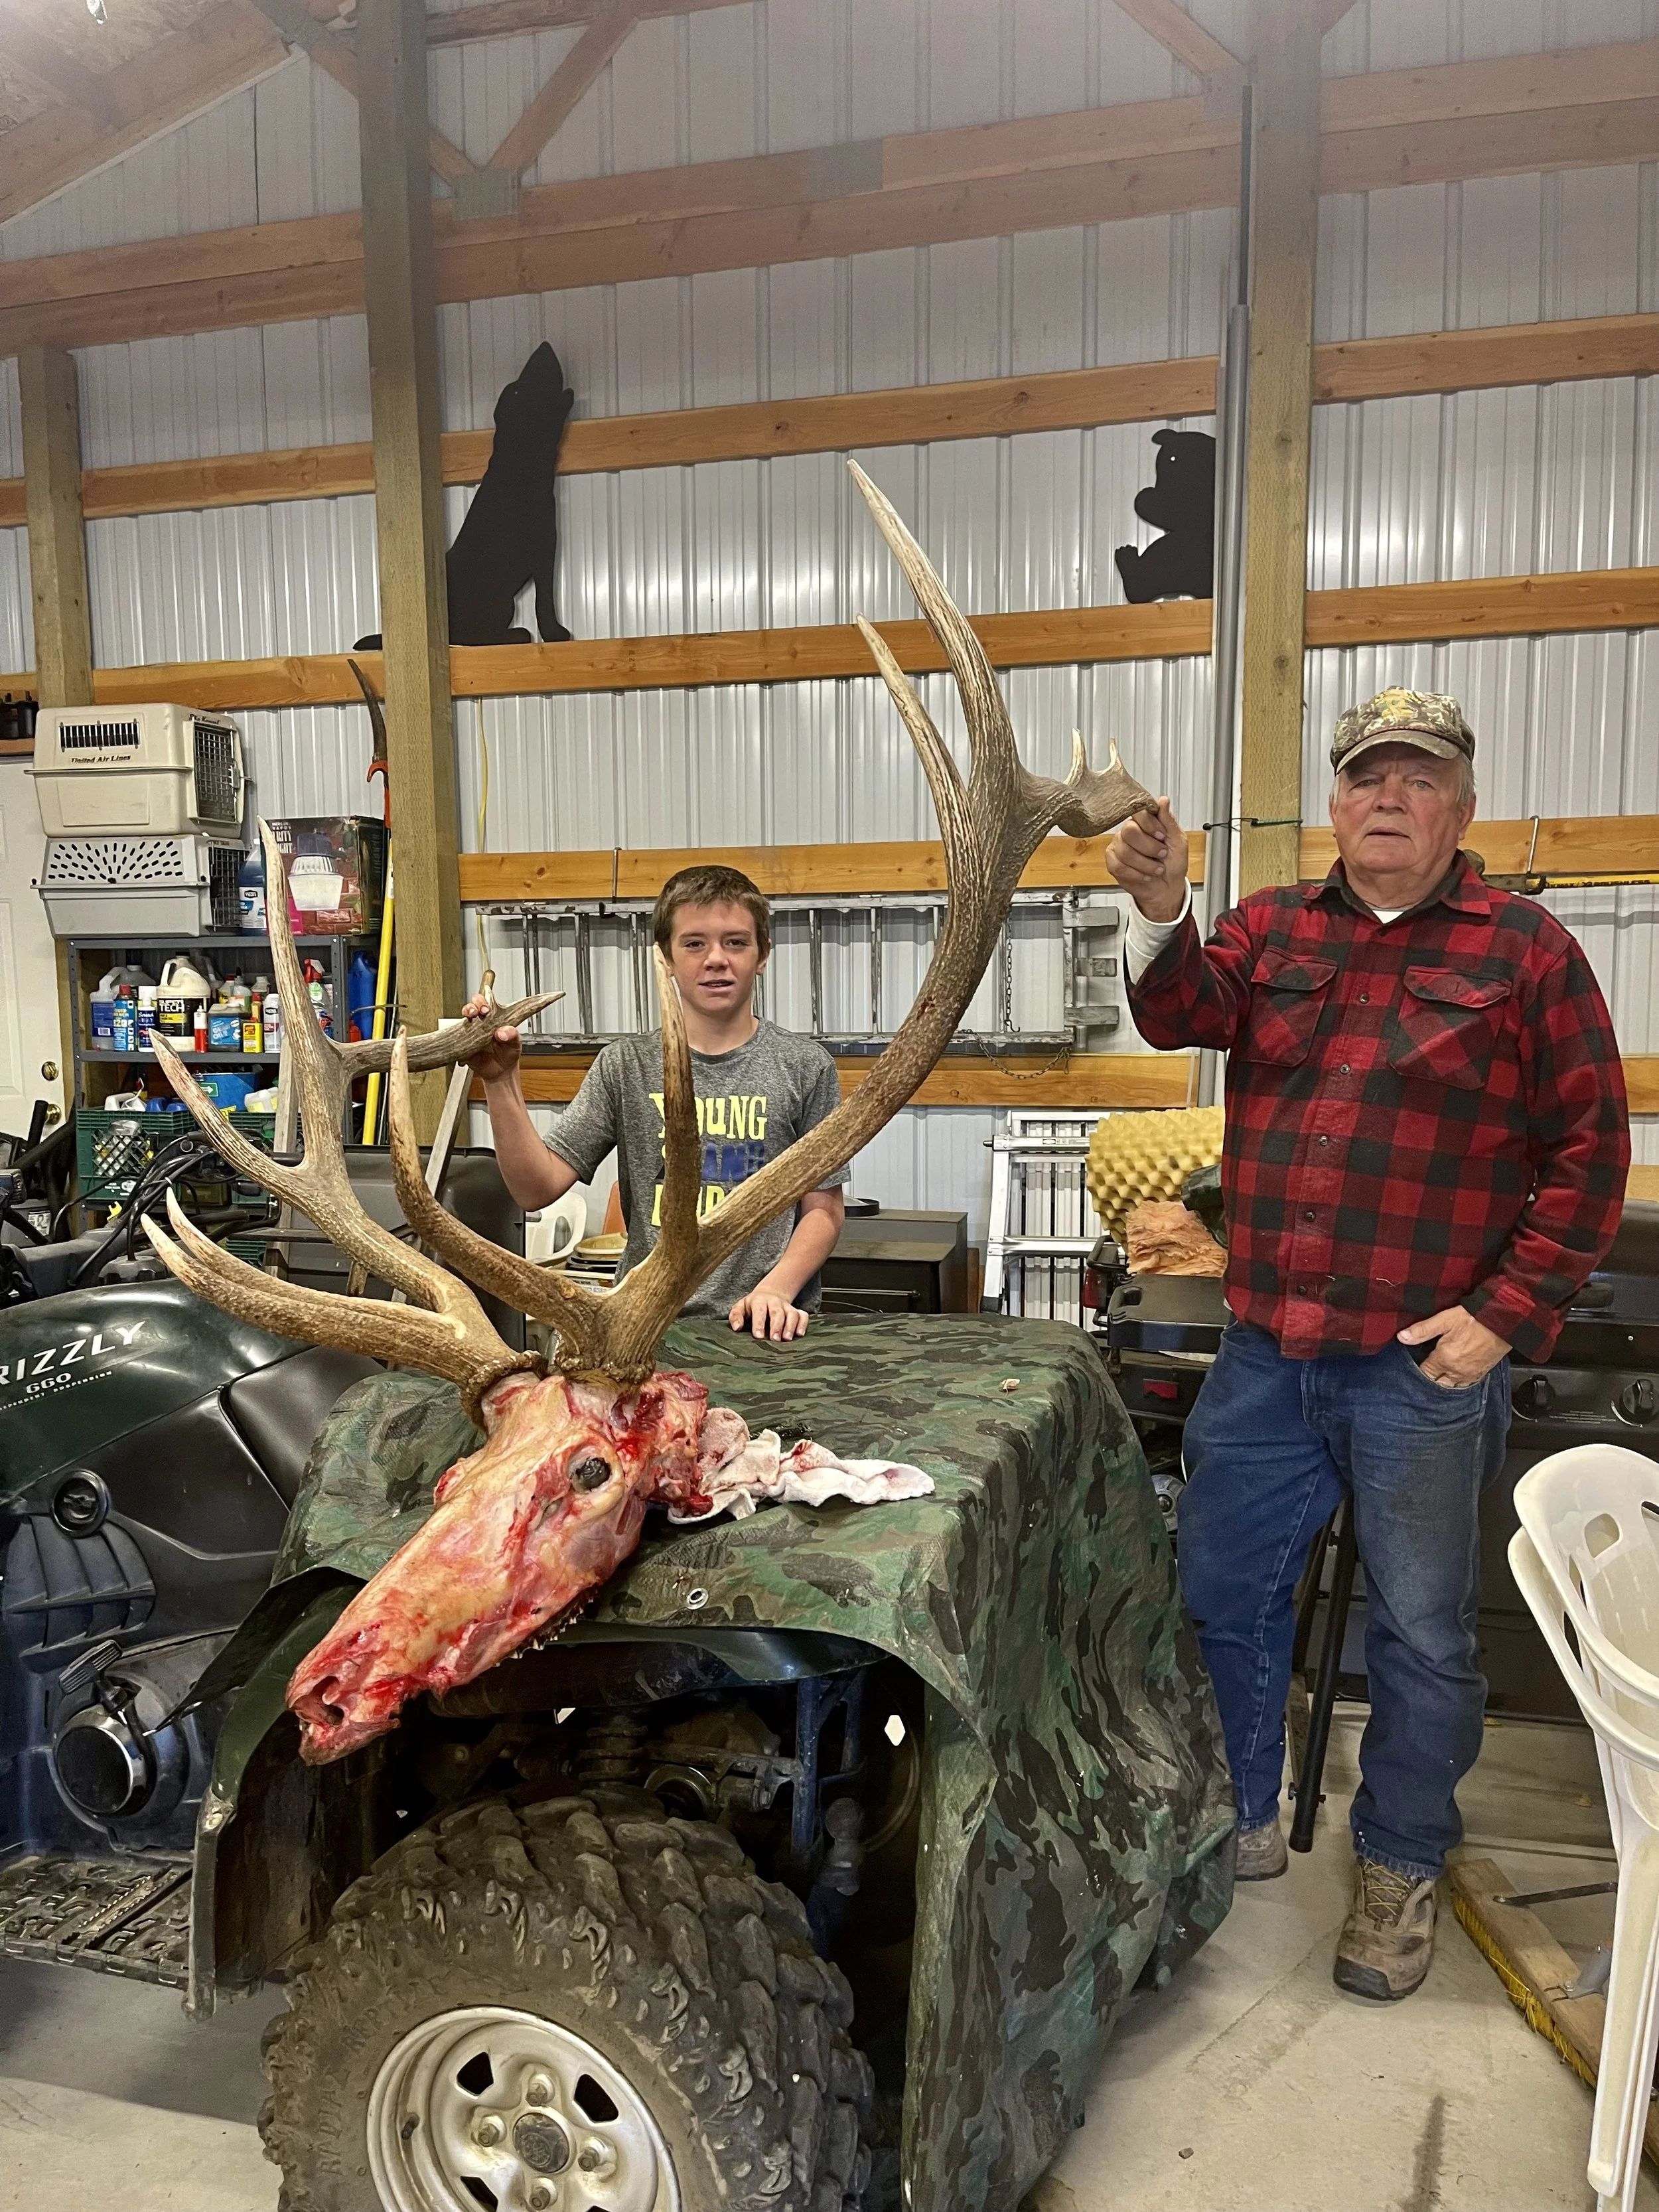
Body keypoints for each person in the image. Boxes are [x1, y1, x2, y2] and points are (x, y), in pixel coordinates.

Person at [1105, 688, 1629, 2003]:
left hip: (1417, 1366)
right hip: (1266, 1352)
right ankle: (1236, 1804)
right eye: (1365, 778)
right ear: (1333, 802)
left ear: (1460, 806)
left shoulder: (1525, 952)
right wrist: (1163, 905)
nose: (1387, 798)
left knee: (1420, 1633)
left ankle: (1400, 1856)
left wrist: (1501, 1314)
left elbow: (1587, 1157)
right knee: (1221, 1595)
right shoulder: (1272, 926)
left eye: (1417, 778)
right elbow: (1177, 1012)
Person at [464, 864, 846, 1341]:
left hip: (765, 1328)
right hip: (649, 1330)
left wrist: (776, 1291)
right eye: (694, 943)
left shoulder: (805, 1066)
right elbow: (535, 1187)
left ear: (763, 954)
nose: (716, 959)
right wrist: (500, 1081)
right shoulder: (625, 1066)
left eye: (736, 941)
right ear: (664, 957)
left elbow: (823, 1209)